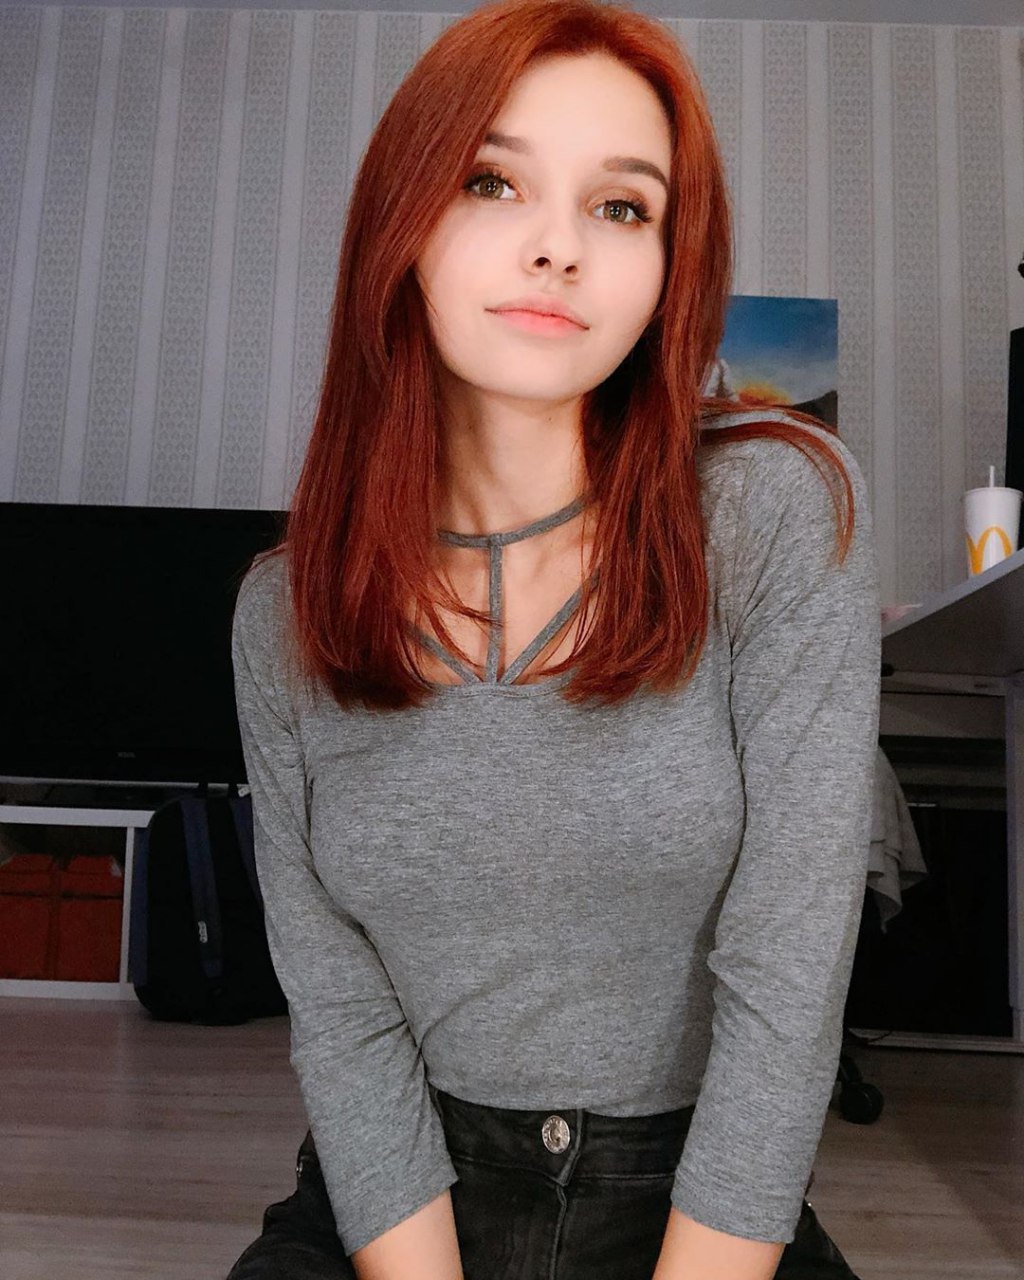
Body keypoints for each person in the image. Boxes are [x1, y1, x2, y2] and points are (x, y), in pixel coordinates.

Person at [226, 1, 881, 1277]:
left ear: (669, 267)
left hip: (698, 1204)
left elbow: (789, 967)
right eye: (491, 181)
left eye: (620, 207)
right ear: (403, 222)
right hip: (403, 1196)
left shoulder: (774, 506)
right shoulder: (283, 608)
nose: (557, 248)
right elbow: (339, 1005)